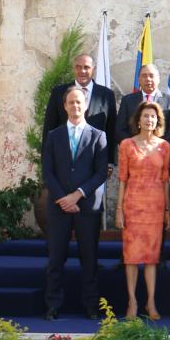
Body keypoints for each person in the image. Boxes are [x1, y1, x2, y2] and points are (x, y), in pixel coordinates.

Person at [41, 86, 109, 321]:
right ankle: (52, 305)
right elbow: (47, 171)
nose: (75, 106)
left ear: (86, 105)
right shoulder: (54, 135)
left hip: (86, 206)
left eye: (79, 102)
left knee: (89, 259)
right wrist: (63, 198)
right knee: (56, 258)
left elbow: (100, 173)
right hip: (59, 207)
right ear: (65, 106)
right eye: (71, 102)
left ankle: (91, 306)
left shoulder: (98, 135)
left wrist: (77, 195)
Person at [114, 100, 170, 321]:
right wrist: (118, 209)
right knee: (131, 257)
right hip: (133, 206)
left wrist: (167, 209)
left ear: (158, 121)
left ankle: (151, 302)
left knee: (151, 258)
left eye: (153, 117)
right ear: (138, 120)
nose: (149, 120)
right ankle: (132, 301)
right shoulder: (127, 145)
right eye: (145, 116)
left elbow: (165, 180)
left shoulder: (164, 146)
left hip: (155, 207)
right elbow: (122, 179)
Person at [42, 53, 118, 163]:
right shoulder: (58, 93)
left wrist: (110, 162)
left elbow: (111, 130)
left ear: (93, 69)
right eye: (78, 67)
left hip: (96, 161)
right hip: (64, 160)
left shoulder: (106, 95)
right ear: (74, 69)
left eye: (86, 67)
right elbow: (49, 127)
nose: (82, 71)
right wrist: (47, 161)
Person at [115, 63, 170, 160]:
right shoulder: (127, 100)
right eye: (144, 76)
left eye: (151, 76)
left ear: (158, 79)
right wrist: (134, 147)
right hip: (133, 157)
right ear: (139, 80)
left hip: (160, 157)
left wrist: (157, 148)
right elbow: (120, 129)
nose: (148, 79)